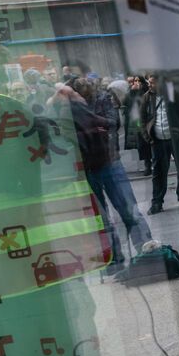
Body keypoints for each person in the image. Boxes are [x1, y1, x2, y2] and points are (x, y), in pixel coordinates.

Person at [59, 76, 153, 274]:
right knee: (101, 218)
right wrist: (92, 126)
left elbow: (112, 123)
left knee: (129, 210)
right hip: (89, 165)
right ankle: (114, 259)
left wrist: (88, 121)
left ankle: (145, 250)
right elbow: (68, 133)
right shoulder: (67, 108)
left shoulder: (101, 98)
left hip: (109, 161)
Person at [141, 73, 179, 214]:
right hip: (157, 140)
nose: (149, 85)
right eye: (149, 82)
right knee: (159, 172)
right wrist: (148, 137)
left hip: (174, 139)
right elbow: (142, 119)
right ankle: (157, 202)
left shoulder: (173, 94)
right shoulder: (147, 97)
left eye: (152, 82)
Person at [124, 75, 152, 175]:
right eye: (135, 81)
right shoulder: (132, 92)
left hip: (148, 120)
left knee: (150, 143)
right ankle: (147, 165)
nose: (136, 83)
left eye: (138, 80)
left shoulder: (146, 91)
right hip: (138, 122)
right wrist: (131, 92)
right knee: (142, 145)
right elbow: (126, 103)